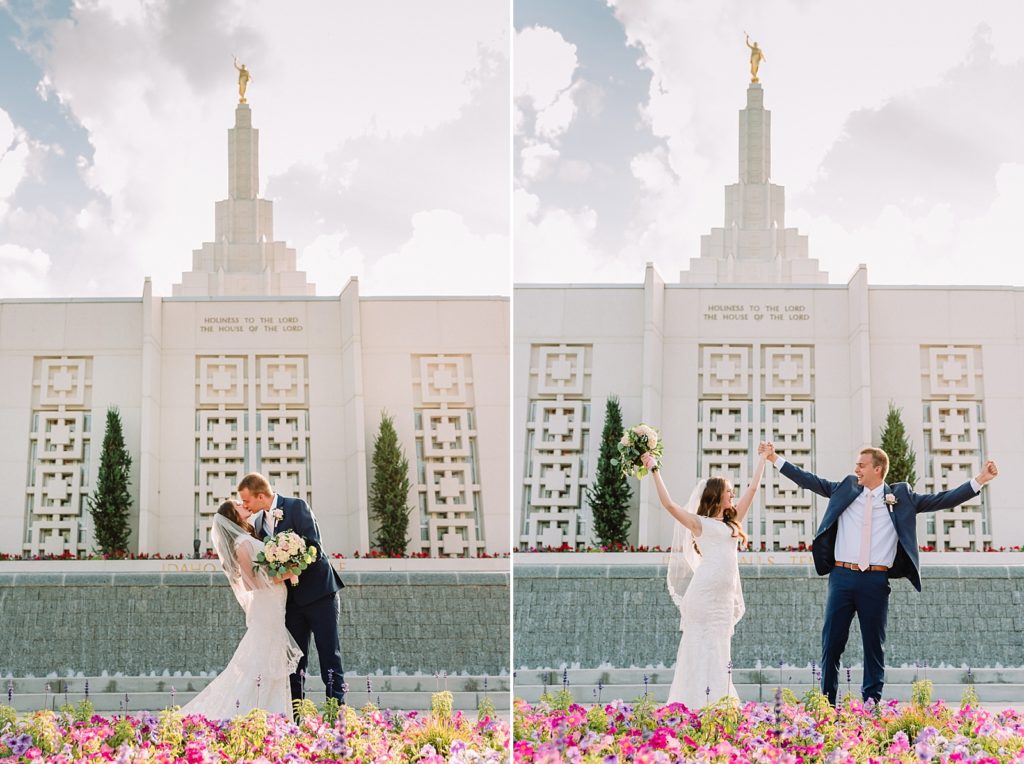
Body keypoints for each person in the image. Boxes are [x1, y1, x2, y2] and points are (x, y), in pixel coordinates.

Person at [762, 441, 999, 705]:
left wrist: (980, 480)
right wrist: (775, 459)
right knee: (831, 646)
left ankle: (870, 705)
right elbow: (809, 480)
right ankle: (826, 705)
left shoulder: (902, 497)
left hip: (876, 580)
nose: (857, 470)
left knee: (874, 648)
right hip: (841, 577)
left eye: (861, 465)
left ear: (878, 469)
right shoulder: (844, 489)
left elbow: (941, 499)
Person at [641, 449, 767, 707]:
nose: (733, 494)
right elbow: (669, 505)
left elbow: (753, 490)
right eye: (729, 490)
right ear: (716, 495)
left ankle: (719, 702)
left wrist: (763, 460)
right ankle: (692, 703)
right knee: (698, 647)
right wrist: (654, 469)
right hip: (703, 596)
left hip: (723, 599)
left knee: (720, 650)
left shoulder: (733, 523)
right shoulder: (700, 524)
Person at [182, 500, 301, 718]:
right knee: (263, 658)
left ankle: (273, 715)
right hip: (266, 606)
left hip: (274, 603)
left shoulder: (249, 537)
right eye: (237, 504)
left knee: (270, 658)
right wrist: (290, 572)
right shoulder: (241, 544)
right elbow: (252, 583)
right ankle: (250, 713)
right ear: (232, 515)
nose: (242, 503)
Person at [237, 473, 346, 707]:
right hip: (291, 603)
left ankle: (336, 716)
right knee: (294, 663)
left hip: (320, 595)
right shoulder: (257, 524)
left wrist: (289, 564)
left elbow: (314, 546)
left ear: (261, 495)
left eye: (246, 501)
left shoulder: (297, 507)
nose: (244, 505)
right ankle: (295, 716)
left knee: (330, 656)